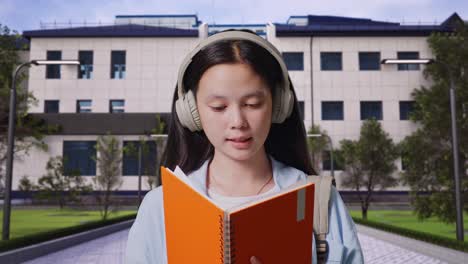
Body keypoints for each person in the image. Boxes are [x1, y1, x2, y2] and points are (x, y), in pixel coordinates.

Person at [125, 29, 364, 264]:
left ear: (279, 105)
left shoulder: (319, 200)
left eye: (252, 103)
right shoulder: (160, 207)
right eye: (219, 107)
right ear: (192, 112)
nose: (238, 122)